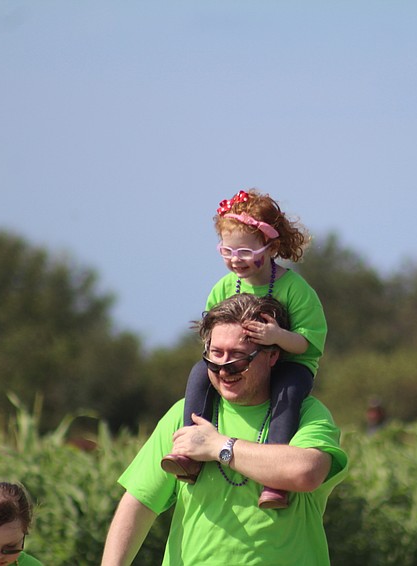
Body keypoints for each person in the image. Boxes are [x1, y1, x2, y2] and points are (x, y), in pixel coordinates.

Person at [101, 293, 348, 566]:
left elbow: (306, 472)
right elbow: (140, 503)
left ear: (272, 355)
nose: (224, 368)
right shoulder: (184, 415)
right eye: (215, 354)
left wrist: (219, 446)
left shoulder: (307, 413)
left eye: (239, 357)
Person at [161, 188, 328, 510]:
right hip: (241, 360)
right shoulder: (223, 287)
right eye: (227, 250)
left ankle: (275, 480)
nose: (235, 260)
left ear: (272, 246)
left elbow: (308, 343)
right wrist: (221, 355)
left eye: (244, 252)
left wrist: (276, 335)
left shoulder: (295, 289)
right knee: (200, 372)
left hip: (291, 363)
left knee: (287, 392)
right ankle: (188, 451)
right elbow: (212, 333)